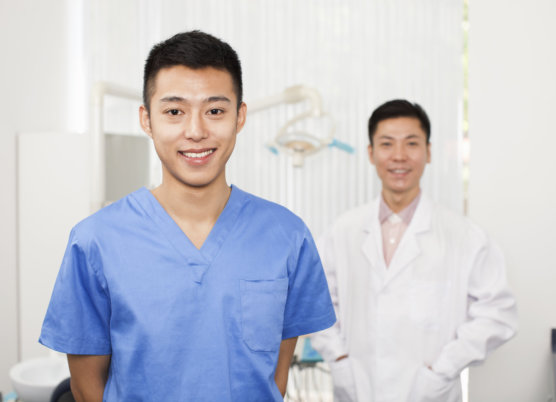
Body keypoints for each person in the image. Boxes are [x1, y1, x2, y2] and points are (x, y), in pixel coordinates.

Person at [39, 30, 336, 401]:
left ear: (240, 117)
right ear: (146, 120)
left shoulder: (287, 236)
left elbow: (273, 381)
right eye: (174, 111)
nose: (196, 131)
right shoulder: (96, 241)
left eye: (215, 111)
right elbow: (86, 388)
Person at [310, 99, 517, 402]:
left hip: (430, 392)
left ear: (429, 152)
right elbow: (318, 303)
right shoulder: (343, 230)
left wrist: (443, 368)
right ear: (371, 153)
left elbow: (498, 315)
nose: (399, 157)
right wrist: (339, 360)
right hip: (358, 389)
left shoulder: (465, 236)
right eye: (386, 144)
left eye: (411, 144)